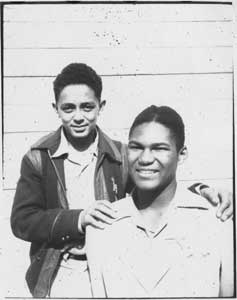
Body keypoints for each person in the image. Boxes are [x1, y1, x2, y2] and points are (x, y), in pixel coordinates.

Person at [11, 63, 233, 298]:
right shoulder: (39, 157)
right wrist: (78, 219)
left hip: (111, 267)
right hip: (59, 270)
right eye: (68, 108)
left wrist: (201, 190)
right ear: (56, 109)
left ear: (101, 106)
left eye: (87, 107)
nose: (78, 117)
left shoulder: (121, 155)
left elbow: (154, 186)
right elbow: (22, 220)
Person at [86, 105, 234, 298]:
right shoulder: (102, 225)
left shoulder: (216, 220)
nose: (145, 158)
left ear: (181, 154)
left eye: (159, 148)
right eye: (136, 147)